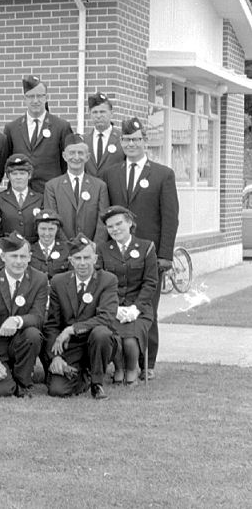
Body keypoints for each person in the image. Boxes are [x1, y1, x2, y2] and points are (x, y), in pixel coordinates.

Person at [103, 116, 179, 378]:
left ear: (146, 142)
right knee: (117, 305)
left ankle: (148, 364)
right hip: (117, 253)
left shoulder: (162, 174)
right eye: (127, 139)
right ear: (121, 142)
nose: (132, 144)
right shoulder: (111, 173)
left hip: (149, 255)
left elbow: (170, 218)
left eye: (137, 139)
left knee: (148, 309)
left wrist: (165, 255)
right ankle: (120, 363)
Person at [0, 231, 48, 398]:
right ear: (3, 257)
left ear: (30, 257)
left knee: (33, 334)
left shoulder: (39, 279)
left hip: (19, 342)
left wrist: (17, 320)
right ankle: (1, 373)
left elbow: (39, 317)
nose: (18, 261)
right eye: (13, 256)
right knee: (2, 391)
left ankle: (23, 382)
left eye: (23, 256)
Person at [44, 235, 119, 400]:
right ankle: (83, 375)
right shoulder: (58, 282)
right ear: (70, 260)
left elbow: (106, 317)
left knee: (101, 333)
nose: (83, 263)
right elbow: (52, 324)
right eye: (78, 258)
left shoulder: (108, 280)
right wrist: (55, 356)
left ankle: (97, 383)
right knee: (57, 390)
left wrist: (72, 329)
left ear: (95, 258)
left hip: (99, 341)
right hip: (71, 346)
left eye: (87, 257)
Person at [99, 205, 157, 385]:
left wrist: (136, 308)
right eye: (110, 226)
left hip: (138, 308)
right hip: (113, 307)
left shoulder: (146, 247)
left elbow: (150, 282)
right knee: (115, 337)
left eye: (119, 224)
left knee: (130, 340)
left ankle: (132, 370)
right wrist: (114, 308)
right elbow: (100, 283)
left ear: (130, 223)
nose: (115, 229)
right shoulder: (102, 249)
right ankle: (118, 369)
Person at [2, 75, 74, 193]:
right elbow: (6, 163)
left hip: (50, 193)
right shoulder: (12, 128)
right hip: (20, 195)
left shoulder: (61, 126)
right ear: (24, 98)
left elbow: (66, 164)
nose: (35, 100)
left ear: (46, 97)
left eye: (40, 96)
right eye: (31, 96)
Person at [43, 134, 108, 242]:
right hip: (63, 249)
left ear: (87, 157)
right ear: (64, 156)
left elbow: (103, 222)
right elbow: (52, 221)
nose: (76, 157)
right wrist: (67, 246)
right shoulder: (52, 186)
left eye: (80, 153)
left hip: (91, 251)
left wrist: (94, 247)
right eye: (72, 153)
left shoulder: (99, 186)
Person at [0, 154, 42, 243]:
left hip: (33, 249)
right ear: (8, 176)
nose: (18, 177)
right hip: (8, 248)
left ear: (29, 176)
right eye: (14, 173)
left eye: (22, 173)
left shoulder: (40, 199)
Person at [84, 92, 124, 180]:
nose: (98, 116)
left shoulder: (123, 139)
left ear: (111, 113)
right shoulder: (83, 140)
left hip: (114, 191)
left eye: (102, 112)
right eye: (95, 112)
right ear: (90, 114)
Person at [29, 211, 71, 278]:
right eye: (43, 229)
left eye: (51, 229)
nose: (47, 233)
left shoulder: (66, 250)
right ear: (37, 229)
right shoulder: (29, 251)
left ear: (57, 230)